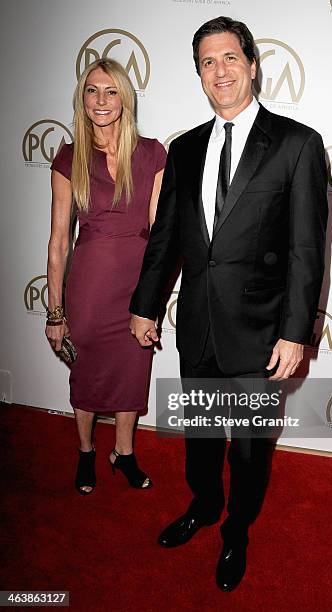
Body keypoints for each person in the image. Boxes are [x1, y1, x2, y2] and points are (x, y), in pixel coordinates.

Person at [129, 16, 328, 591]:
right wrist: (146, 304)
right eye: (207, 62)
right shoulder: (185, 148)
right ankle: (203, 505)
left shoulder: (297, 144)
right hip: (197, 324)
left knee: (246, 448)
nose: (220, 71)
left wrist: (296, 333)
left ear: (251, 63)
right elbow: (167, 235)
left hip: (264, 334)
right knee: (201, 435)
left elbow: (307, 248)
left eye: (229, 59)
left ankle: (235, 531)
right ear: (198, 73)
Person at [46, 58, 166, 495]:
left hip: (137, 286)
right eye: (92, 90)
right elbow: (59, 242)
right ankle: (85, 452)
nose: (101, 100)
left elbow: (159, 236)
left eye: (111, 90)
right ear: (82, 98)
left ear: (125, 98)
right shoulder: (69, 157)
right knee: (88, 373)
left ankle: (124, 453)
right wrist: (55, 313)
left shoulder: (152, 153)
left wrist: (152, 301)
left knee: (134, 370)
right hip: (90, 290)